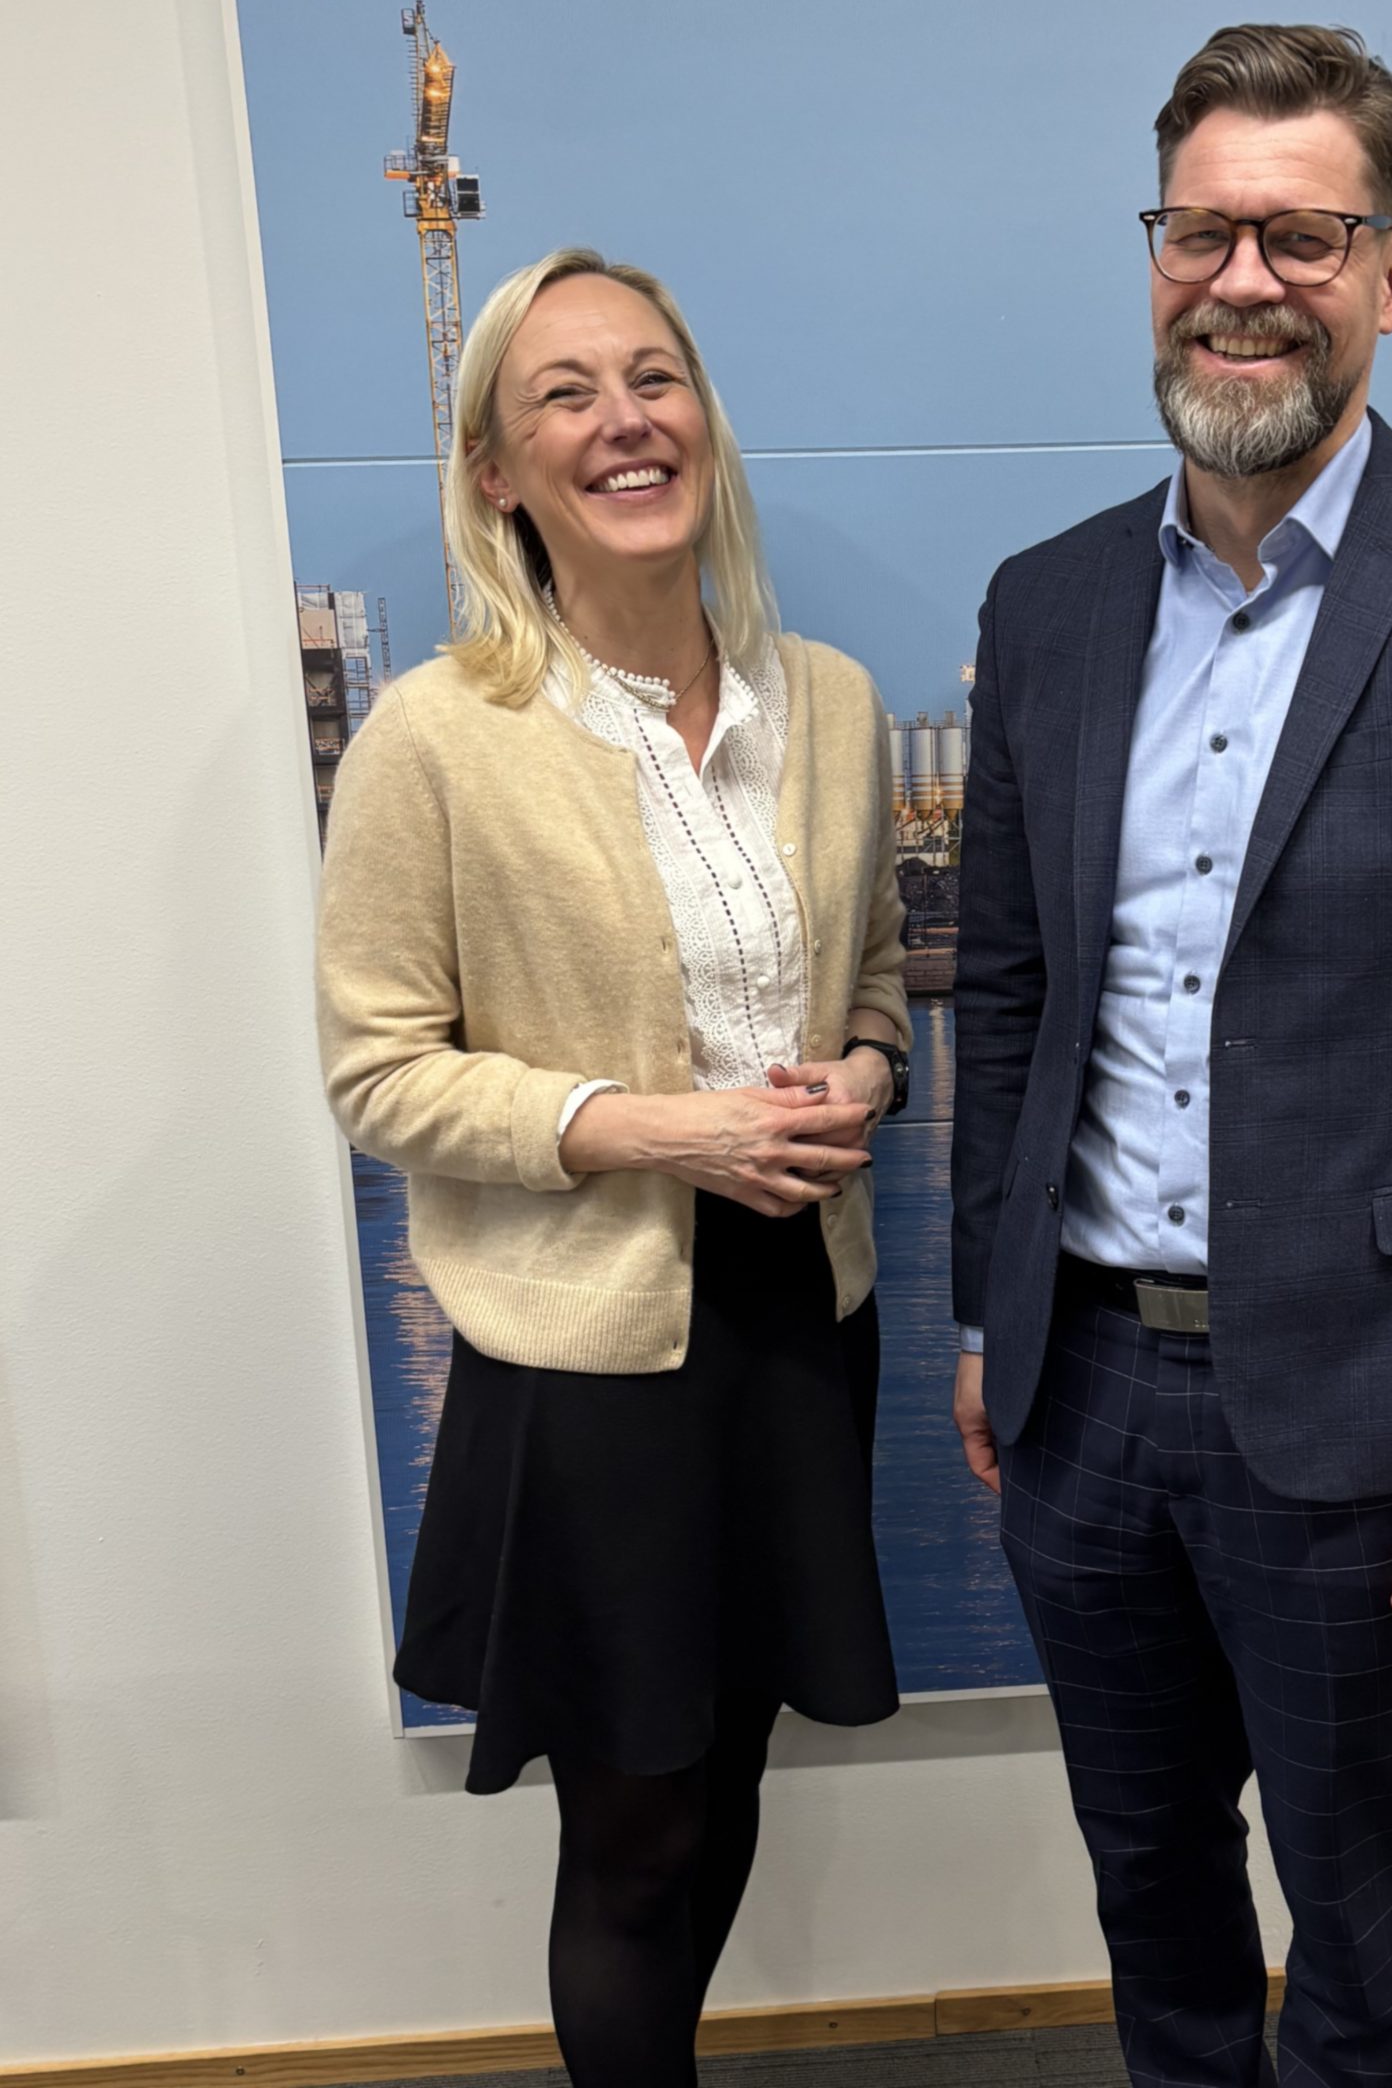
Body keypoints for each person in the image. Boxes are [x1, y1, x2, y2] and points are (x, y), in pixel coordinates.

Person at [949, 27, 1392, 2088]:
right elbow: (1006, 995)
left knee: (1353, 1909)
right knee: (1148, 1875)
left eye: (1300, 235)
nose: (1242, 281)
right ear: (1152, 255)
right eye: (1201, 232)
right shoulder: (1049, 605)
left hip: (1372, 1422)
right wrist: (990, 1317)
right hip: (1082, 1398)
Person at [317, 248, 912, 2087]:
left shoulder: (831, 704)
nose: (624, 421)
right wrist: (652, 1129)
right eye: (563, 394)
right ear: (496, 469)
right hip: (590, 1360)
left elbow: (882, 977)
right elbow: (377, 1073)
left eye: (654, 378)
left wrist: (867, 1074)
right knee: (634, 1826)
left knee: (730, 1771)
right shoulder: (436, 735)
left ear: (703, 422)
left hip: (800, 1322)